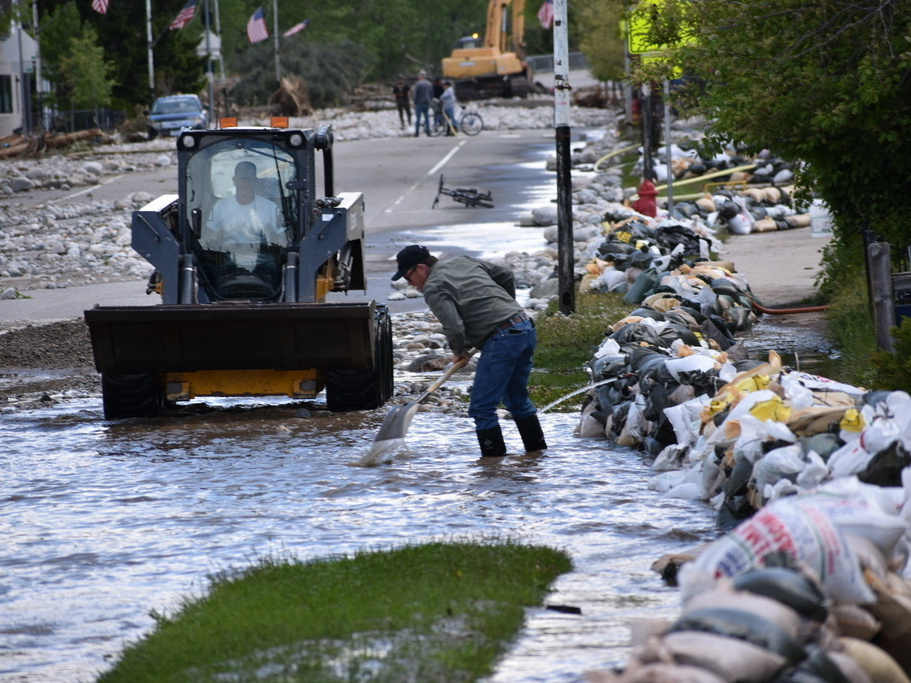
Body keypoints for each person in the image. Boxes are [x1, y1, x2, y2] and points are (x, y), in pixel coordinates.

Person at [391, 245, 547, 458]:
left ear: (420, 268)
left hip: (502, 338)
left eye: (408, 277)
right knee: (517, 400)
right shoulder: (461, 261)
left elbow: (453, 326)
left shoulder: (434, 286)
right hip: (524, 328)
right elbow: (506, 275)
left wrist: (459, 351)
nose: (409, 283)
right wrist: (508, 306)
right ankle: (537, 457)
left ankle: (492, 469)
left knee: (482, 408)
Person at [205, 160, 286, 271]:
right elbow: (209, 238)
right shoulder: (221, 206)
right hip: (228, 260)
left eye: (249, 179)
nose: (245, 183)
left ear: (255, 181)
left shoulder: (270, 208)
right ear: (234, 180)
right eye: (242, 179)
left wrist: (272, 237)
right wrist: (217, 238)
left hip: (262, 261)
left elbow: (282, 240)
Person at [412, 71, 434, 137]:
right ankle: (428, 132)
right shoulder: (429, 84)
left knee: (418, 118)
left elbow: (415, 94)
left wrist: (414, 102)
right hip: (427, 102)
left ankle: (417, 132)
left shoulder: (418, 84)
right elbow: (431, 93)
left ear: (421, 76)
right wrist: (430, 101)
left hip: (419, 102)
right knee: (427, 118)